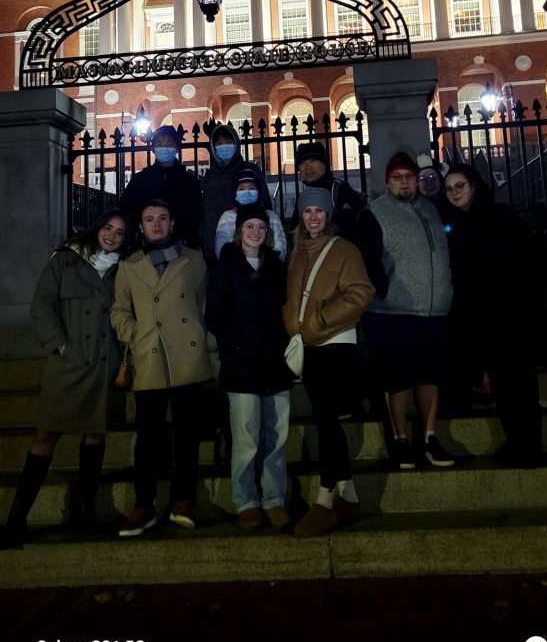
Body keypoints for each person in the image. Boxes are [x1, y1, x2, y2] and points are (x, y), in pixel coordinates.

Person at [2, 210, 134, 548]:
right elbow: (42, 305)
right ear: (96, 227)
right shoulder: (66, 259)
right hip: (69, 363)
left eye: (120, 232)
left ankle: (84, 510)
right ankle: (17, 517)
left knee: (95, 435)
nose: (112, 236)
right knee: (46, 434)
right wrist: (59, 346)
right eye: (107, 227)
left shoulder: (125, 268)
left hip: (104, 362)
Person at [442, 164, 547, 467]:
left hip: (513, 316)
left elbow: (527, 261)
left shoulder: (499, 216)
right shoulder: (455, 224)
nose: (455, 193)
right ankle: (518, 441)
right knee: (505, 389)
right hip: (484, 321)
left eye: (460, 186)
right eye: (450, 188)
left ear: (474, 186)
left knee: (520, 385)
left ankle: (529, 444)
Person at [111, 199, 212, 536]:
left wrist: (193, 330)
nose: (156, 224)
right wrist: (135, 334)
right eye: (149, 219)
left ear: (172, 223)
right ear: (140, 227)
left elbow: (201, 301)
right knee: (148, 437)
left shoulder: (194, 259)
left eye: (162, 218)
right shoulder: (129, 265)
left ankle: (185, 498)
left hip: (186, 354)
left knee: (187, 434)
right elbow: (119, 310)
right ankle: (144, 504)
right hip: (149, 355)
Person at [283, 188, 374, 538]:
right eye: (308, 212)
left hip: (335, 344)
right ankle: (347, 495)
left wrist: (321, 320)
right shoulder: (298, 251)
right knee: (327, 418)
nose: (314, 217)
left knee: (325, 419)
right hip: (310, 346)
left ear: (328, 215)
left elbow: (361, 292)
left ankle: (324, 496)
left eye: (319, 211)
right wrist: (291, 320)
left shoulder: (344, 249)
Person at [357, 151, 455, 471]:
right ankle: (399, 439)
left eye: (408, 177)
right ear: (387, 182)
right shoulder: (374, 212)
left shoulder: (431, 209)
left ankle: (428, 436)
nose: (403, 183)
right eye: (397, 177)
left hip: (434, 311)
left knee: (430, 376)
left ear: (417, 179)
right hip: (394, 313)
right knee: (396, 380)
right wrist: (385, 293)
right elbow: (366, 262)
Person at [205, 205, 292, 531]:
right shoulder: (226, 267)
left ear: (267, 232)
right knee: (245, 438)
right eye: (249, 226)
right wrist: (237, 340)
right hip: (242, 364)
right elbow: (212, 314)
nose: (255, 231)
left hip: (275, 363)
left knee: (276, 437)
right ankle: (246, 500)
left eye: (260, 226)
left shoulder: (276, 267)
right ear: (239, 230)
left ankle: (274, 499)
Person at [119, 125, 201, 248]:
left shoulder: (190, 181)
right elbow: (125, 212)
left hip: (182, 246)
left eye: (169, 144)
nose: (164, 148)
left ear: (177, 147)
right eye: (159, 144)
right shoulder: (140, 180)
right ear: (153, 148)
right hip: (145, 245)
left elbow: (197, 217)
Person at [200, 122, 271, 265]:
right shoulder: (210, 175)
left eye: (228, 142)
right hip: (213, 245)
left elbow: (266, 204)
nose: (223, 146)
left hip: (247, 244)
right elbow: (204, 210)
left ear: (236, 144)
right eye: (219, 143)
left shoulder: (249, 169)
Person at [289, 141, 365, 242]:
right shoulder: (304, 197)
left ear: (324, 164)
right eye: (302, 163)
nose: (307, 167)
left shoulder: (342, 191)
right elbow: (295, 233)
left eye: (312, 160)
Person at [214, 163, 287, 261]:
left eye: (252, 188)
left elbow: (280, 247)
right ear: (234, 192)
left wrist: (263, 265)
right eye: (241, 189)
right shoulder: (227, 217)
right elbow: (221, 248)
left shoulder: (271, 216)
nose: (247, 192)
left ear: (259, 191)